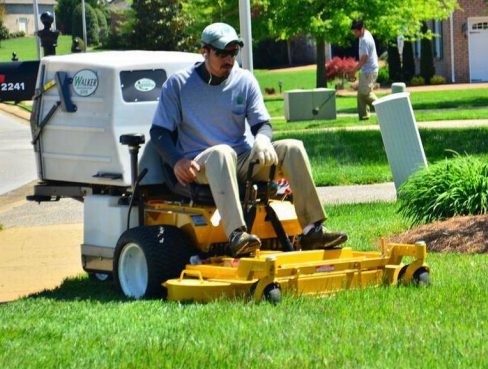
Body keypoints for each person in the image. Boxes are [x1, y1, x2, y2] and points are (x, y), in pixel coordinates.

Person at [150, 22, 347, 257]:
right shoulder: (178, 84)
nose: (229, 59)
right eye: (221, 53)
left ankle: (312, 230)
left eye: (233, 53)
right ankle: (237, 235)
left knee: (293, 148)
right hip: (201, 164)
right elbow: (159, 132)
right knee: (222, 152)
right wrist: (176, 161)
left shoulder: (245, 80)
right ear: (204, 51)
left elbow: (262, 124)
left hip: (241, 159)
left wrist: (263, 140)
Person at [350, 20, 379, 120]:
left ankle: (383, 108)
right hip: (367, 70)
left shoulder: (365, 40)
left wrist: (354, 70)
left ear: (361, 29)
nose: (354, 33)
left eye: (355, 31)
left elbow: (364, 57)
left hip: (369, 71)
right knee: (360, 95)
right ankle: (364, 117)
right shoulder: (365, 34)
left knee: (365, 94)